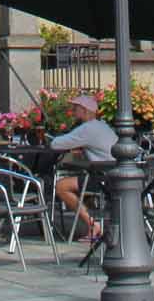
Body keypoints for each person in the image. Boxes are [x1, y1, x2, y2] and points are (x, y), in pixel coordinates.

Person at [49, 91, 116, 244]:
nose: (73, 112)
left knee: (61, 186)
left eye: (75, 108)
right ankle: (94, 221)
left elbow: (56, 144)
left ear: (85, 110)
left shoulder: (87, 128)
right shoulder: (103, 126)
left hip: (105, 177)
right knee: (82, 182)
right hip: (113, 173)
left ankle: (93, 224)